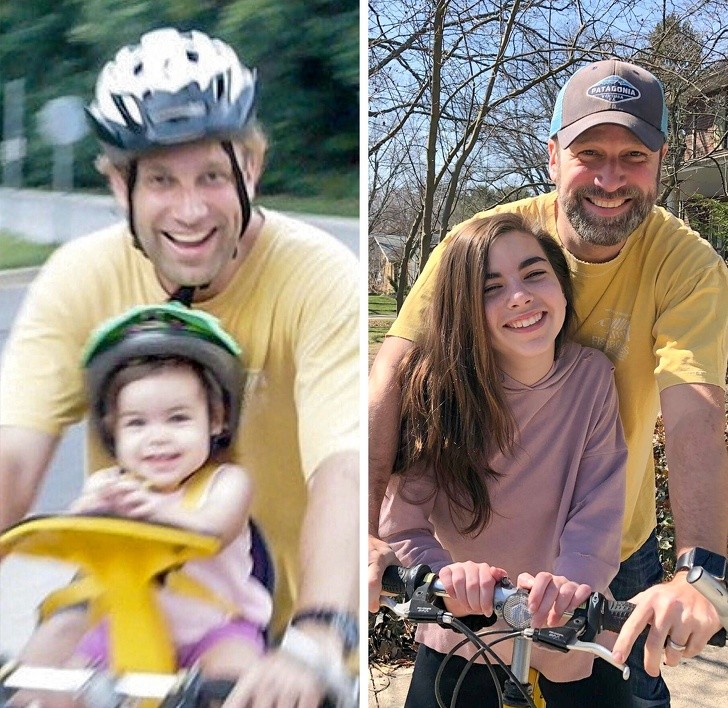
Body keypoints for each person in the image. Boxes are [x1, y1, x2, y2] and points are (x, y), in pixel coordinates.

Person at [0, 28, 358, 708]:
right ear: (117, 183)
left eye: (212, 177)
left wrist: (316, 636)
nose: (189, 210)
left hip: (265, 621)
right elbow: (11, 462)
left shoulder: (316, 274)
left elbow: (342, 469)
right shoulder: (80, 275)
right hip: (113, 613)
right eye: (161, 179)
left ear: (250, 170)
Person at [369, 58, 728, 708]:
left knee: (630, 693)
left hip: (612, 544)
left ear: (661, 160)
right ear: (553, 156)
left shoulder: (687, 268)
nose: (611, 178)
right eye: (590, 153)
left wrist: (701, 575)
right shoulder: (486, 244)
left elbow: (695, 413)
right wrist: (362, 533)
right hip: (473, 556)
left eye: (634, 155)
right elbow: (392, 377)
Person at [379, 212, 630, 707]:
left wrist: (572, 584)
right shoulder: (437, 388)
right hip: (461, 630)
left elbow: (598, 504)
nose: (520, 296)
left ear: (561, 285)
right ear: (464, 310)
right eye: (490, 287)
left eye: (535, 274)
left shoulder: (593, 378)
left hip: (565, 625)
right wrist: (444, 577)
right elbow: (401, 525)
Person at [23, 304, 273, 687]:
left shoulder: (226, 481)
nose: (157, 437)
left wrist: (157, 512)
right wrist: (90, 514)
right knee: (52, 680)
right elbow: (73, 538)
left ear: (217, 419)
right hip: (123, 624)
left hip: (215, 627)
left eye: (177, 418)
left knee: (236, 680)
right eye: (137, 423)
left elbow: (216, 528)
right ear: (113, 431)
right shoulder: (110, 485)